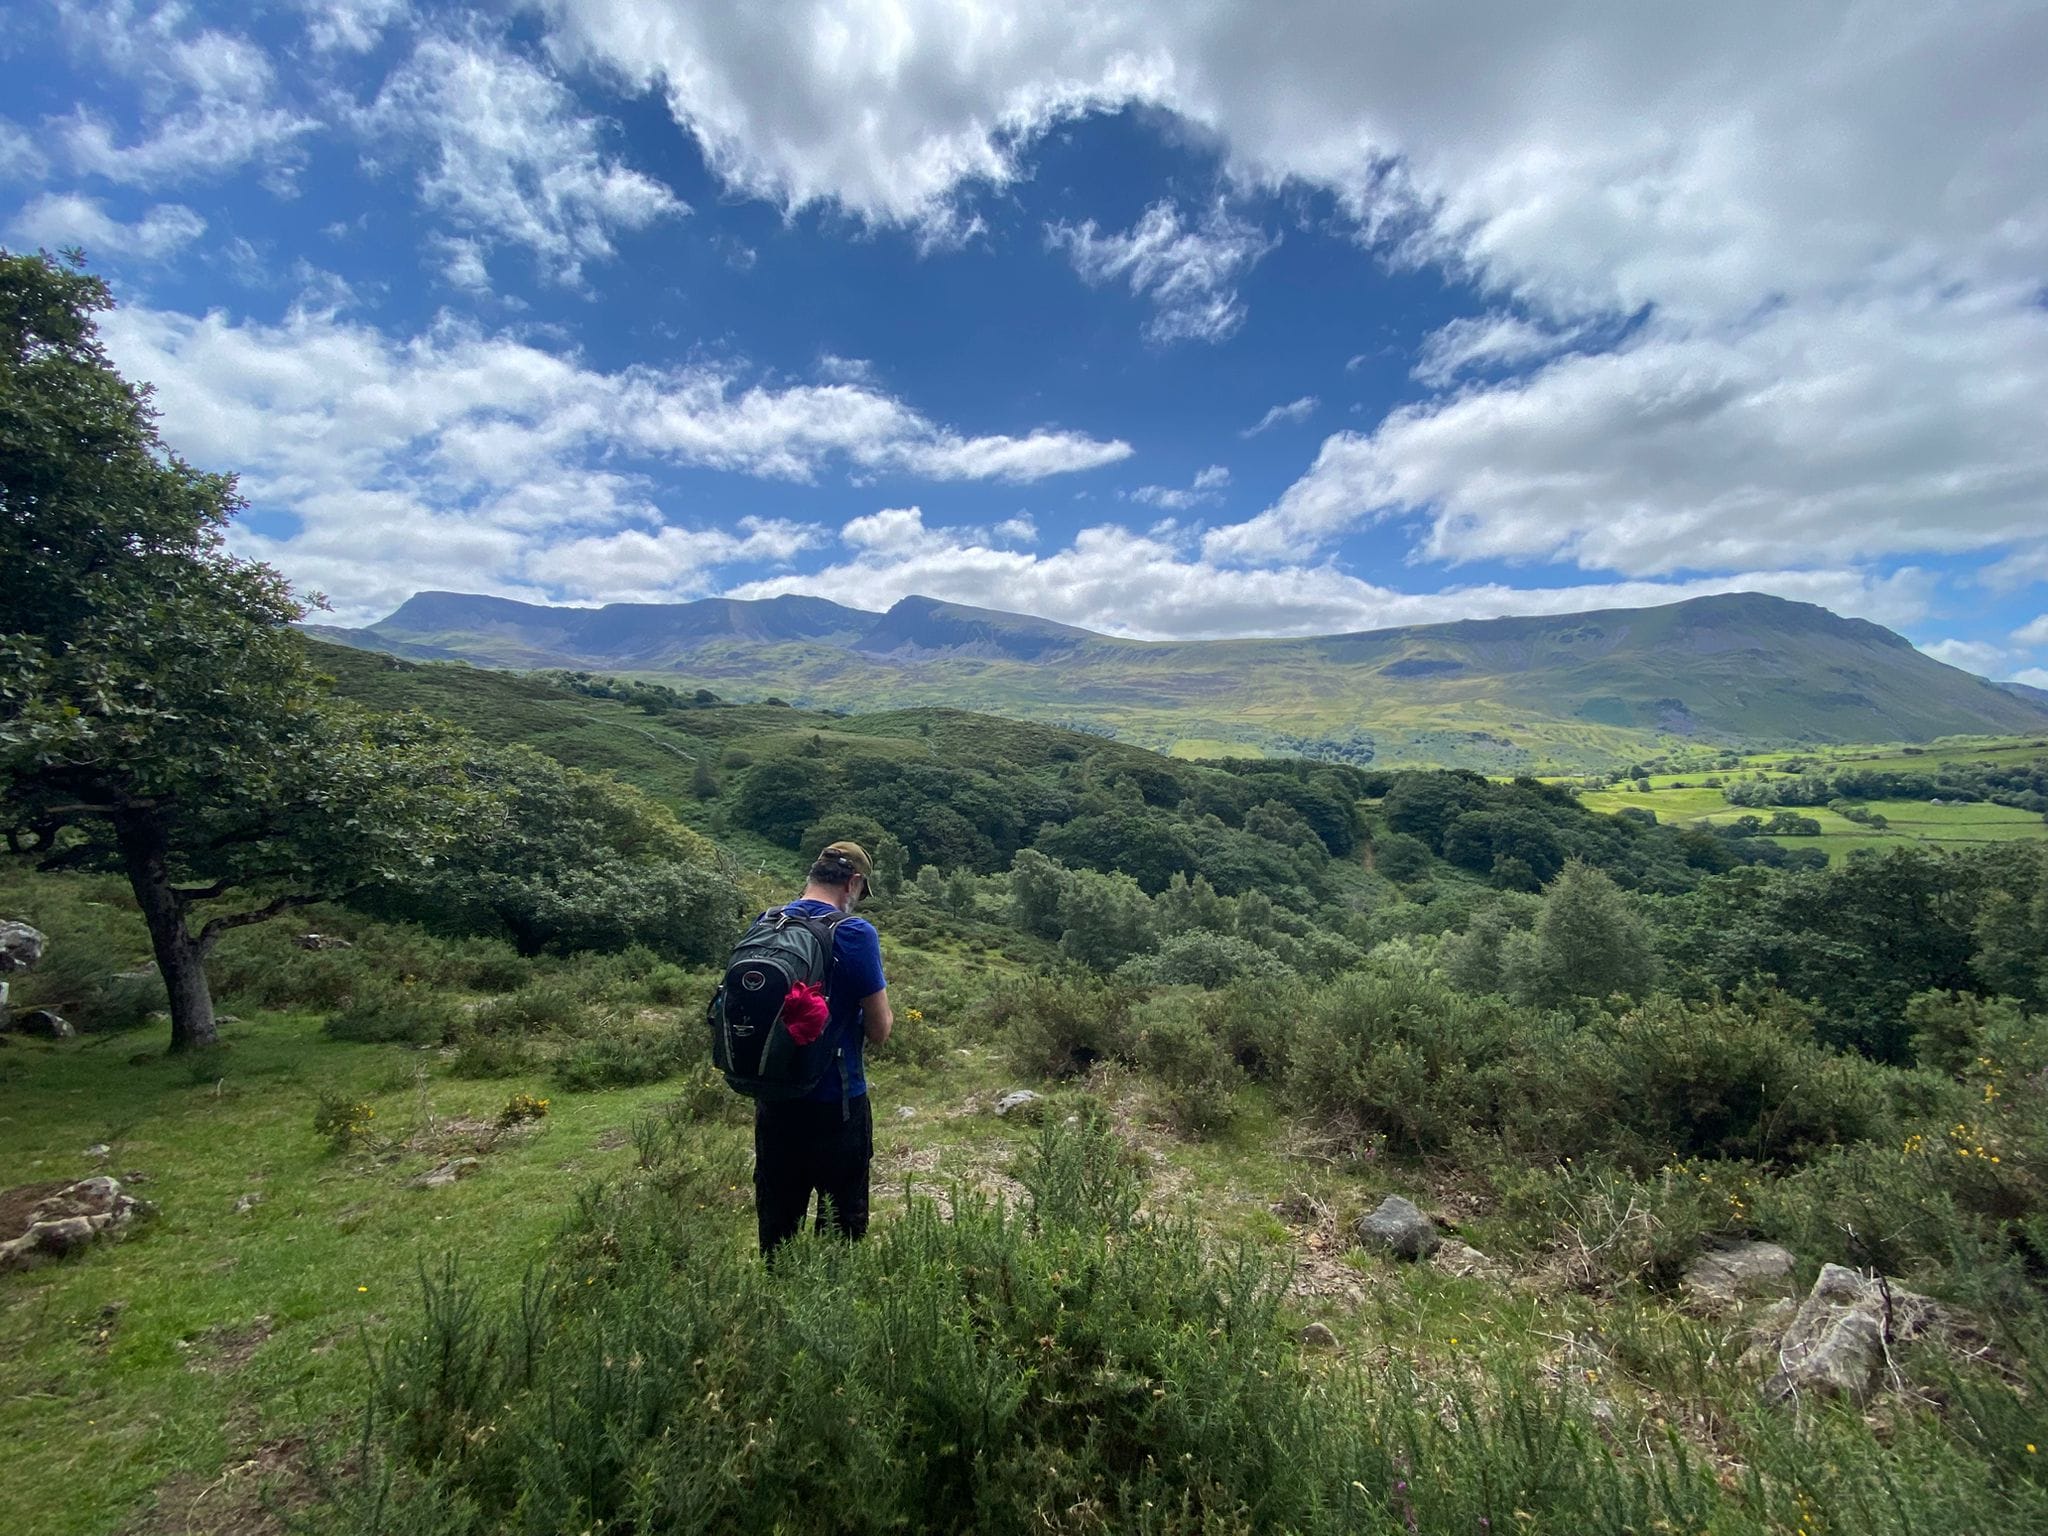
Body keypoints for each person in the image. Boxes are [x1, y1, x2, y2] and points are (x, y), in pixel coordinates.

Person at [753, 839, 893, 1258]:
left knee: (778, 1227)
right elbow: (880, 1029)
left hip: (773, 1098)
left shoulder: (767, 922)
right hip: (837, 1103)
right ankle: (832, 1295)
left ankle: (777, 1292)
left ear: (813, 875)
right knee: (841, 1227)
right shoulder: (854, 932)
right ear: (853, 883)